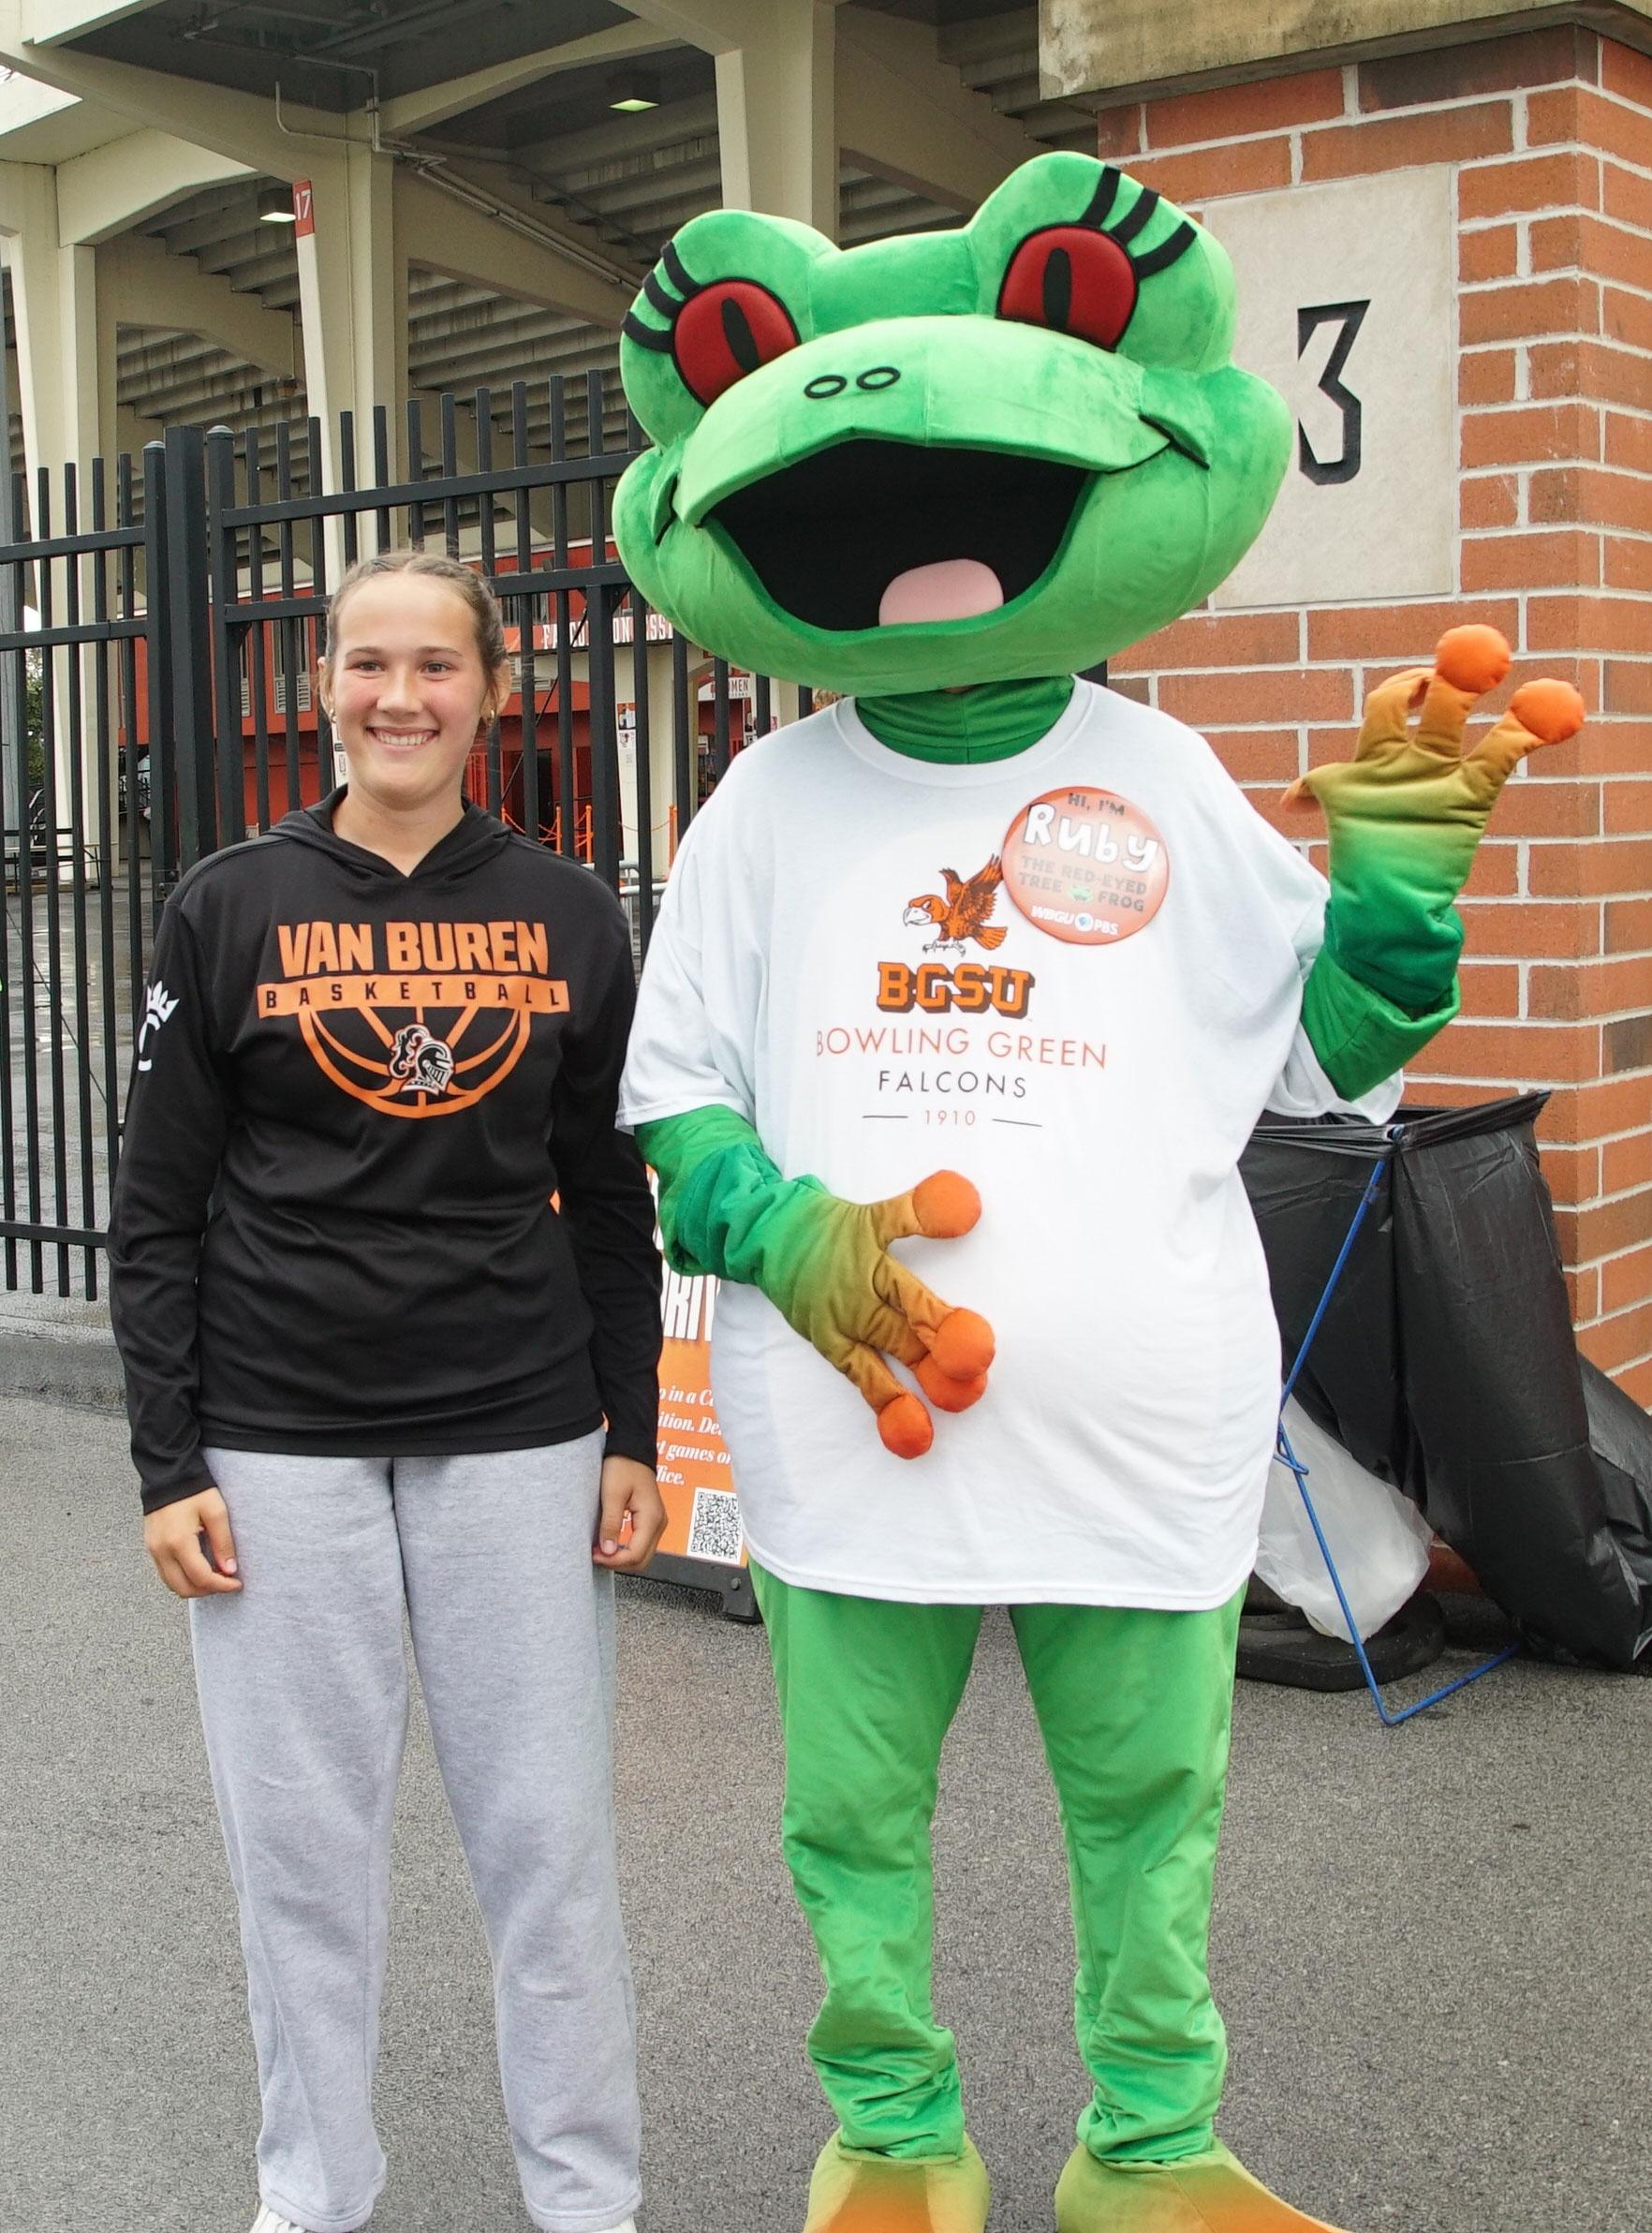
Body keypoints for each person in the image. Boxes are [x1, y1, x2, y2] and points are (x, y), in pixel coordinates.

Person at [611, 155, 1582, 2233]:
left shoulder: (1158, 777)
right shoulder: (763, 806)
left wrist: (1403, 889)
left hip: (1144, 1428)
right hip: (848, 1424)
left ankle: (1148, 2145)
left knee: (1153, 1804)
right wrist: (785, 1230)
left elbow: (1329, 1048)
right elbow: (674, 1107)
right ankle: (893, 2126)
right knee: (849, 1811)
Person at [109, 549, 664, 2233]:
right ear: (323, 685)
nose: (399, 696)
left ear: (491, 692)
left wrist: (630, 1432)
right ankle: (312, 2195)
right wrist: (166, 1464)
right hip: (279, 1447)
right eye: (367, 663)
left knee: (548, 1858)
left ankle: (584, 2200)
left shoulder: (570, 914)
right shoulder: (228, 904)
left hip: (518, 1430)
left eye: (435, 665)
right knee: (301, 1871)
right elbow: (157, 1212)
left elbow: (611, 1201)